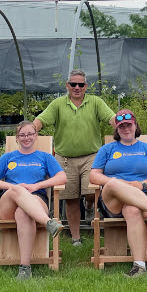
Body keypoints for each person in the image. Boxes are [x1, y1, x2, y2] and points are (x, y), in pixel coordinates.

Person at [89, 109, 147, 277]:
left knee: (132, 210)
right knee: (114, 182)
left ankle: (139, 266)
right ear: (116, 129)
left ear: (135, 125)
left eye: (128, 125)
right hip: (112, 200)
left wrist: (142, 184)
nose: (125, 129)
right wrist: (121, 183)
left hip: (140, 198)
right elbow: (94, 175)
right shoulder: (107, 149)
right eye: (121, 126)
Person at [34, 69, 115, 246]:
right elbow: (41, 120)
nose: (77, 87)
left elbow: (110, 118)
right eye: (73, 84)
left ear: (86, 86)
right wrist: (29, 131)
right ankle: (76, 238)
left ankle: (88, 206)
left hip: (91, 157)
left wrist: (123, 123)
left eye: (80, 84)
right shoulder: (57, 104)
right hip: (64, 158)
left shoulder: (95, 102)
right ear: (67, 86)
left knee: (92, 193)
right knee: (70, 199)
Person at [0, 121, 67, 280]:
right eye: (22, 135)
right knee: (17, 188)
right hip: (8, 203)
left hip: (36, 199)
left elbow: (62, 177)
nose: (26, 138)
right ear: (17, 138)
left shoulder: (45, 157)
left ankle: (25, 268)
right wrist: (11, 186)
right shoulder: (8, 157)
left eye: (30, 134)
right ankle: (48, 222)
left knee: (23, 212)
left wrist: (37, 186)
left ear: (36, 136)